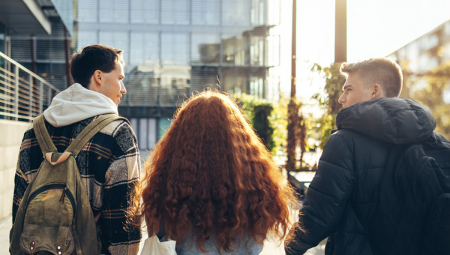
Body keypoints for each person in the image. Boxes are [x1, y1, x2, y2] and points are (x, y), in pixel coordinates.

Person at [285, 58, 450, 254]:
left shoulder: (345, 142)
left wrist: (290, 246)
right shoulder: (437, 140)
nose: (341, 98)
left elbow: (319, 214)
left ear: (374, 91)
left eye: (348, 89)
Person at [12, 44, 141, 255]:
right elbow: (123, 220)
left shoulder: (34, 131)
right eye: (120, 79)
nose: (123, 89)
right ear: (99, 76)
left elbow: (19, 207)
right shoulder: (117, 132)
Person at [131, 91, 296, 254]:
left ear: (178, 139)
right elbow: (256, 244)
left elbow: (160, 239)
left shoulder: (167, 187)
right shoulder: (257, 187)